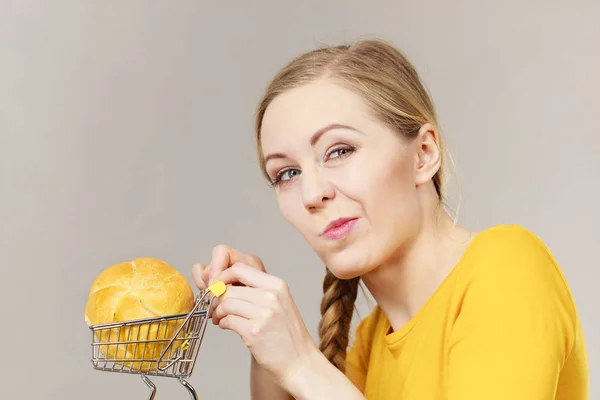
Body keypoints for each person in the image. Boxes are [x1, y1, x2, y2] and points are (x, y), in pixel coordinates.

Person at [191, 39, 588, 399]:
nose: (313, 194)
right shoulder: (370, 344)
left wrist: (300, 364)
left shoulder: (508, 270)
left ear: (423, 154)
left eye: (340, 150)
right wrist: (264, 343)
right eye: (287, 174)